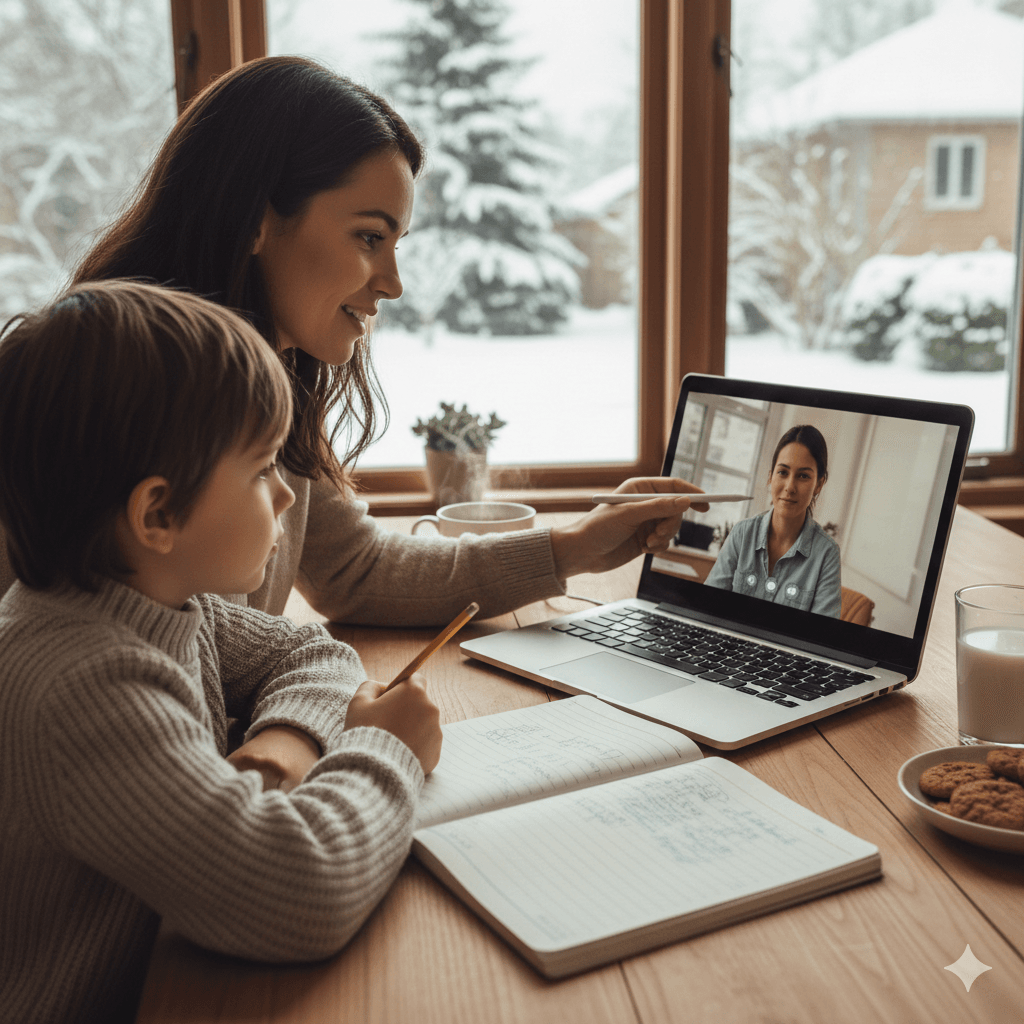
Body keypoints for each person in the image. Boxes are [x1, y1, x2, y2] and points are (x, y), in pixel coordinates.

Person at [0, 55, 704, 622]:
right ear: (256, 219)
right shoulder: (92, 400)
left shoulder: (264, 380)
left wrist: (575, 545)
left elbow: (354, 569)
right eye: (369, 237)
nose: (393, 283)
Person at [0, 281, 444, 1024]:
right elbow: (299, 892)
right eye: (263, 469)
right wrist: (383, 747)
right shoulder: (83, 686)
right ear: (158, 513)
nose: (287, 497)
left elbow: (314, 654)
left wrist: (284, 741)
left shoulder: (167, 607)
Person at [704, 424, 841, 617]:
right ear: (770, 476)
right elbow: (707, 607)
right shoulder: (742, 533)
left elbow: (822, 637)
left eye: (803, 476)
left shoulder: (827, 554)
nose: (790, 487)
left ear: (819, 484)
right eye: (783, 472)